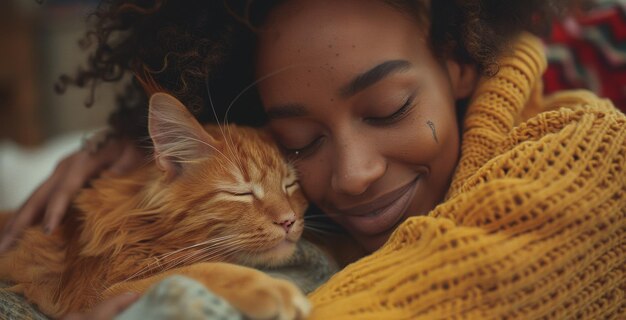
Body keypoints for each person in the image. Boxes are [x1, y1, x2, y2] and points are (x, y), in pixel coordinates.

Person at [2, 0, 624, 318]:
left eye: (387, 109)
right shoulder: (342, 222)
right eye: (300, 143)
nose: (353, 177)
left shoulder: (592, 154)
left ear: (460, 61)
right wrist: (126, 156)